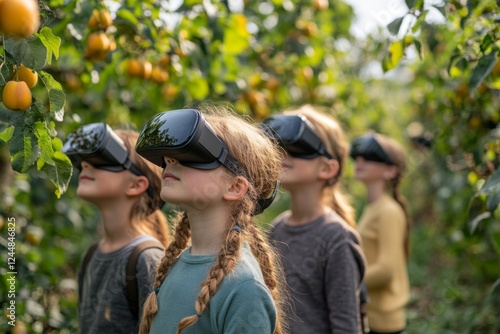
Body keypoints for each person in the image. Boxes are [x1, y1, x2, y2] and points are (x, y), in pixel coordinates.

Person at [136, 107, 289, 334]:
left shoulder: (244, 289)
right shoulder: (178, 264)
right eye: (169, 156)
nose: (169, 160)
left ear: (235, 187)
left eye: (194, 155)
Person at [262, 104, 366, 333]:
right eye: (280, 144)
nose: (284, 153)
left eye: (298, 146)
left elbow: (346, 326)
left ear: (327, 169)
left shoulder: (337, 238)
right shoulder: (277, 228)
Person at [62, 124, 171, 334]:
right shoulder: (94, 253)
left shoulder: (147, 260)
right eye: (86, 159)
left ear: (136, 185)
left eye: (103, 159)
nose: (85, 164)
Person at [350, 132, 411, 334]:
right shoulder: (373, 208)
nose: (360, 161)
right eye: (358, 157)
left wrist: (345, 282)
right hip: (372, 313)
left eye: (370, 157)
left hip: (384, 320)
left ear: (391, 171)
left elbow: (386, 270)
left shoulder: (388, 211)